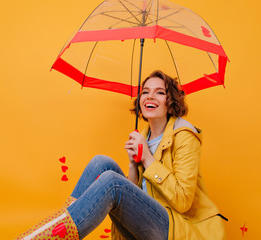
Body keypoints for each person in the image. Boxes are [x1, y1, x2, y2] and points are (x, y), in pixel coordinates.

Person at [16, 70, 227, 240]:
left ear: (170, 101)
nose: (150, 96)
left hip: (177, 231)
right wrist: (133, 166)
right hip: (150, 225)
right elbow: (137, 200)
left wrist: (148, 159)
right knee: (101, 163)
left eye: (160, 92)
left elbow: (183, 201)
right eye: (145, 92)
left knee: (113, 183)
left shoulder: (185, 137)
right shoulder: (143, 137)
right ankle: (54, 231)